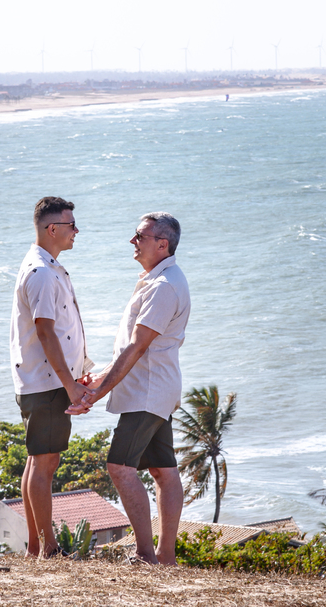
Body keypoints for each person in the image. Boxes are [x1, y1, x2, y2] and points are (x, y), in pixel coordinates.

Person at [67, 211, 190, 565]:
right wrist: (102, 375)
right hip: (155, 389)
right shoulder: (160, 280)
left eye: (139, 236)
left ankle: (146, 555)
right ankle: (165, 557)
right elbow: (134, 347)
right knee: (164, 472)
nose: (132, 241)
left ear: (161, 244)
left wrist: (97, 390)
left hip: (147, 393)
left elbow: (137, 347)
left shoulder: (164, 287)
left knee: (120, 468)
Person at [10, 196, 94, 558]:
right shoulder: (42, 273)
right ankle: (48, 549)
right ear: (52, 229)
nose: (77, 230)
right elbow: (46, 334)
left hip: (44, 382)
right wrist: (71, 385)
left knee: (38, 461)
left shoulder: (47, 266)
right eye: (71, 224)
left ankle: (35, 547)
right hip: (47, 384)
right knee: (44, 464)